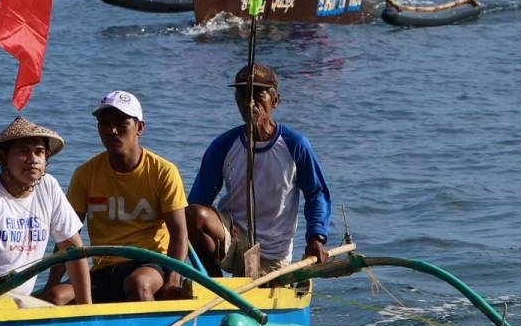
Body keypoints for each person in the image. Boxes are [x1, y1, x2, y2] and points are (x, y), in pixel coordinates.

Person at [185, 63, 331, 279]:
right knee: (193, 215)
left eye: (258, 94)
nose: (249, 103)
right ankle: (215, 284)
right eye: (242, 95)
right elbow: (197, 202)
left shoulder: (295, 145)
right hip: (233, 239)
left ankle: (248, 283)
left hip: (272, 253)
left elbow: (316, 194)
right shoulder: (223, 146)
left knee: (253, 281)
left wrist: (316, 238)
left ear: (275, 101)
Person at [46, 90, 189, 303]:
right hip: (104, 268)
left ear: (139, 128)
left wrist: (173, 281)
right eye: (104, 123)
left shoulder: (163, 171)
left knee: (137, 284)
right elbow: (66, 235)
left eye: (121, 123)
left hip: (150, 266)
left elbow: (179, 234)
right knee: (56, 297)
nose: (112, 131)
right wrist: (51, 283)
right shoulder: (85, 173)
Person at [0, 117, 91, 305]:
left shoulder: (48, 186)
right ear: (3, 158)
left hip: (19, 300)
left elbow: (74, 250)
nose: (33, 160)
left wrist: (87, 311)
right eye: (23, 152)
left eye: (39, 152)